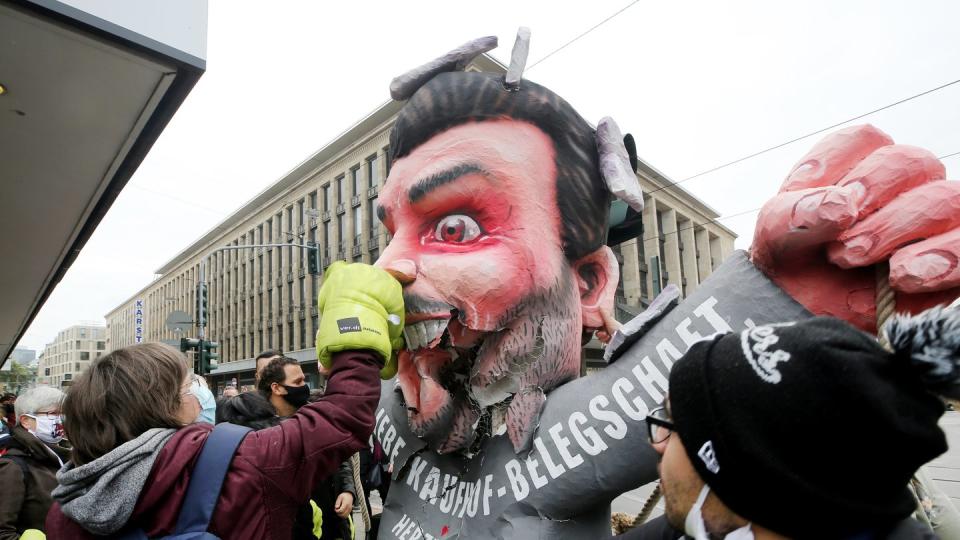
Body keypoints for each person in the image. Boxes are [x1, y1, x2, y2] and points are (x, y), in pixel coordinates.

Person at [44, 262, 403, 539]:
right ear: (164, 407)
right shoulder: (239, 462)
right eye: (188, 386)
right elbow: (344, 416)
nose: (198, 395)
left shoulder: (65, 510)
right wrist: (355, 316)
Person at [621, 307, 960, 539]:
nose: (658, 442)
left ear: (752, 485)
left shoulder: (714, 515)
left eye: (674, 422)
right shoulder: (705, 522)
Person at [0, 386, 66, 539]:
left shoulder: (61, 455)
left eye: (62, 413)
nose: (60, 419)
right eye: (53, 413)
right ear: (26, 421)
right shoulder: (12, 467)